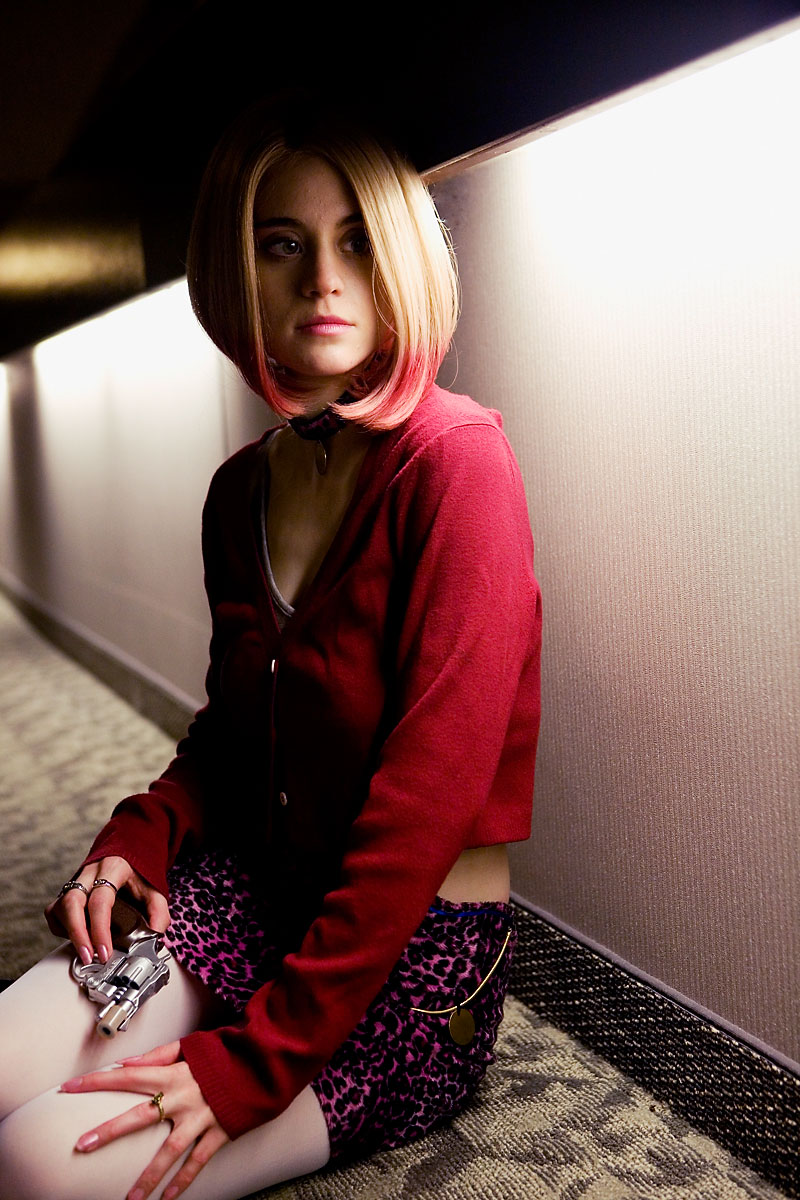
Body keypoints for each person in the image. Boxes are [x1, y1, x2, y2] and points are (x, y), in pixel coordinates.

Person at [0, 92, 542, 1200]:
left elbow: (425, 808)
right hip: (257, 891)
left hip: (409, 954)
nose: (323, 280)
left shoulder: (458, 465)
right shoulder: (239, 488)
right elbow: (235, 734)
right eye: (282, 244)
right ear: (234, 270)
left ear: (400, 255)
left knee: (35, 1163)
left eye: (356, 241)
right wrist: (141, 836)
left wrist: (255, 1064)